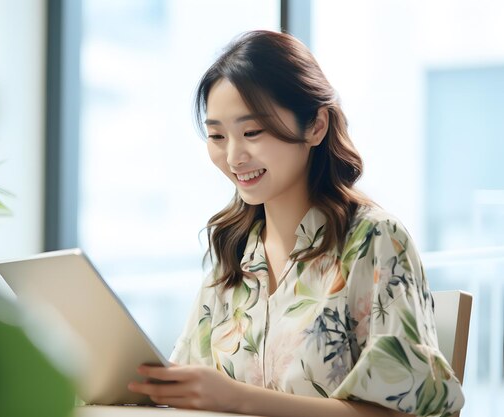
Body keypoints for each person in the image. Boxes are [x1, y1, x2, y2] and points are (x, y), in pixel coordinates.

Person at [128, 30, 465, 417]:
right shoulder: (234, 253)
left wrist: (236, 398)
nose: (234, 156)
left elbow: (411, 413)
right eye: (217, 135)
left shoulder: (375, 240)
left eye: (251, 132)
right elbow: (184, 388)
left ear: (316, 126)